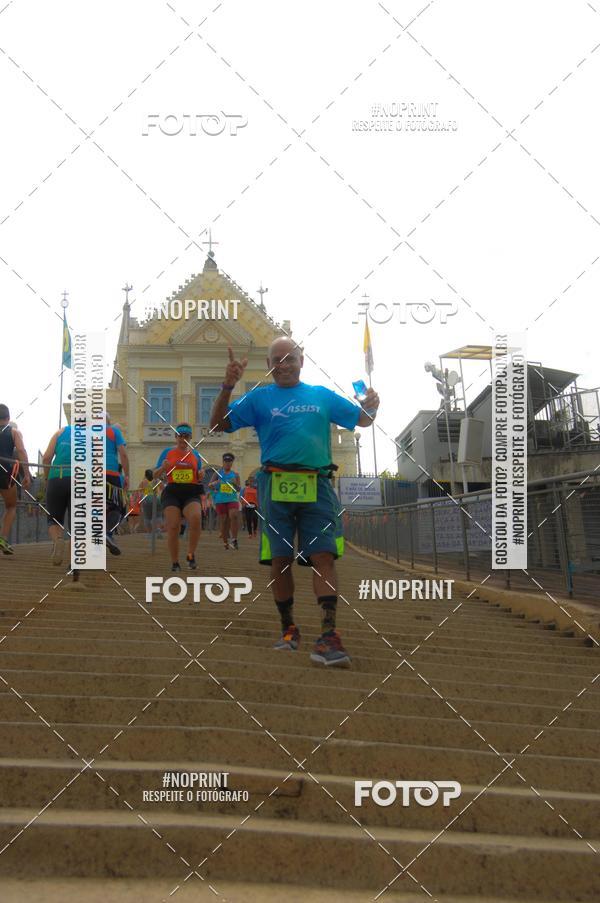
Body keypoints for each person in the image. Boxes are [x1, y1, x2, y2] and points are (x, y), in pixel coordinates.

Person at [210, 340, 379, 667]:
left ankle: (329, 634)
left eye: (289, 359)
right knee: (280, 560)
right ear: (269, 365)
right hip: (275, 485)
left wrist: (372, 405)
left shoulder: (321, 395)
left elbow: (363, 420)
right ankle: (288, 629)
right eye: (276, 360)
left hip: (316, 484)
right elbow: (218, 424)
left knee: (323, 555)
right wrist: (228, 385)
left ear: (302, 361)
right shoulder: (259, 397)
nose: (283, 365)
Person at [153, 424, 204, 572]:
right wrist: (163, 468)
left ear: (190, 438)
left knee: (195, 518)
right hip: (172, 492)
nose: (183, 439)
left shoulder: (195, 455)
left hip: (191, 491)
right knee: (174, 526)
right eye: (180, 435)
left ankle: (190, 555)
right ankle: (175, 562)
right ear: (176, 437)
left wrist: (200, 475)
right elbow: (154, 476)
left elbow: (199, 475)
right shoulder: (167, 452)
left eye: (186, 436)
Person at [0, 405, 31, 555]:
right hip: (5, 473)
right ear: (8, 418)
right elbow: (21, 451)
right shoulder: (13, 432)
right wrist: (27, 474)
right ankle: (2, 539)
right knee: (11, 506)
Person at [42, 423, 72, 565]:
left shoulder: (60, 432)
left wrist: (47, 478)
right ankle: (74, 563)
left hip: (57, 476)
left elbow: (47, 457)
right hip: (81, 479)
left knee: (53, 518)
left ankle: (58, 540)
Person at [105, 417, 129, 555]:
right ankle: (107, 534)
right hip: (110, 473)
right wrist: (127, 475)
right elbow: (123, 455)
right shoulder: (113, 431)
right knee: (117, 506)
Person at [209, 453, 241, 550]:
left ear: (232, 463)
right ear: (223, 462)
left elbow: (239, 489)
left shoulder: (235, 475)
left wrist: (235, 484)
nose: (227, 463)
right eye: (226, 461)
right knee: (224, 521)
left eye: (229, 462)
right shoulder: (217, 473)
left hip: (232, 499)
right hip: (220, 500)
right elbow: (209, 485)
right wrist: (215, 483)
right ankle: (225, 541)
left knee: (234, 516)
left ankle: (234, 540)